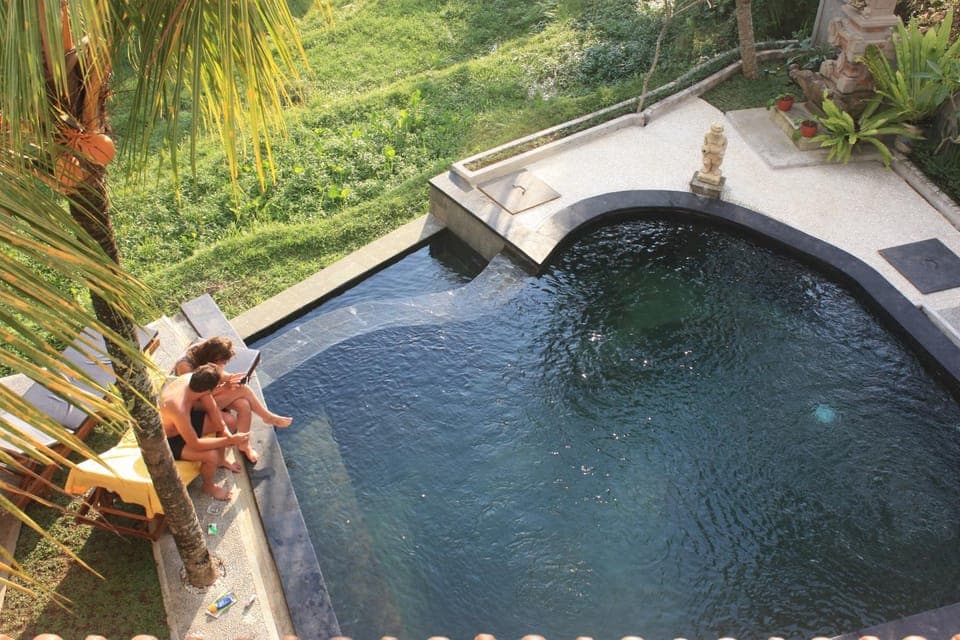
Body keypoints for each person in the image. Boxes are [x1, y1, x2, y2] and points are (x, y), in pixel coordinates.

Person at [173, 336, 292, 465]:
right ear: (213, 358)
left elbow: (221, 375)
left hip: (208, 395)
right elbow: (196, 394)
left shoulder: (206, 355)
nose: (223, 365)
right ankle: (267, 417)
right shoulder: (186, 366)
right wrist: (224, 387)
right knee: (243, 391)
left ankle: (244, 443)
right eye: (221, 363)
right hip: (193, 404)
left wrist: (234, 378)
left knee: (243, 404)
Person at [159, 364, 250, 500]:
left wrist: (225, 431)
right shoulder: (178, 408)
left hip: (185, 423)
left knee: (229, 421)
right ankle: (208, 486)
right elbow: (195, 444)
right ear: (209, 389)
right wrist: (230, 440)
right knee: (210, 456)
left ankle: (221, 460)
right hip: (168, 439)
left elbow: (213, 409)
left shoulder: (194, 380)